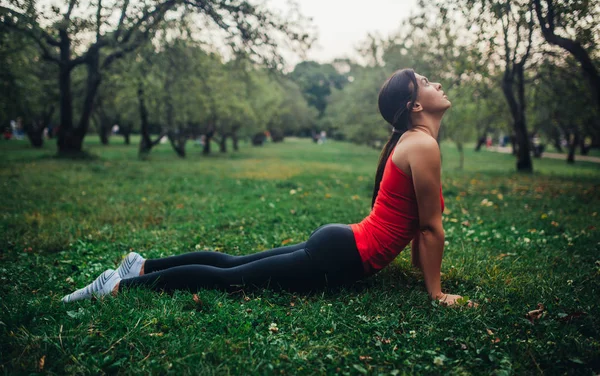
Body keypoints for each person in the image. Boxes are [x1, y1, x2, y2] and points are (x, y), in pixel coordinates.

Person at [62, 69, 473, 308]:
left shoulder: (414, 143)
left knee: (232, 263)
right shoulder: (422, 145)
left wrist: (423, 275)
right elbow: (431, 230)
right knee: (231, 278)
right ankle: (118, 285)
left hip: (342, 243)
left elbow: (422, 227)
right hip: (342, 253)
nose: (435, 83)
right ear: (415, 106)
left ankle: (142, 264)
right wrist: (436, 294)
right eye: (425, 81)